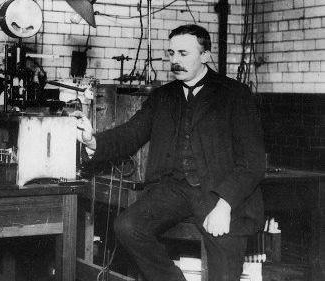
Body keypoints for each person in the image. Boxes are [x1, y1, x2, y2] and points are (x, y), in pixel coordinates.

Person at [74, 24, 265, 281]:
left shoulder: (234, 94)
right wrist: (93, 141)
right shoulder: (163, 96)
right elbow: (131, 133)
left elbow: (252, 162)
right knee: (128, 226)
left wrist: (225, 205)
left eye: (183, 54)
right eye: (171, 53)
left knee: (224, 270)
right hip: (175, 189)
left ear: (205, 55)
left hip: (221, 192)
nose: (175, 60)